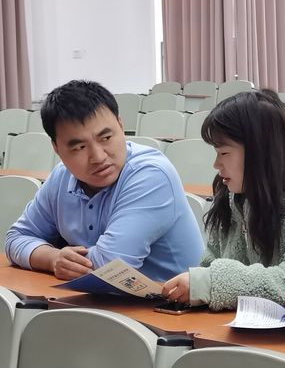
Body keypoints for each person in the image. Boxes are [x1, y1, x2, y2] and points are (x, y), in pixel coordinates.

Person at [5, 79, 204, 282]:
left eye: (106, 138)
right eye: (79, 147)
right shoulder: (61, 177)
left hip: (168, 299)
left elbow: (111, 267)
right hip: (98, 297)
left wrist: (59, 259)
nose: (98, 157)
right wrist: (53, 258)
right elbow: (15, 238)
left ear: (121, 125)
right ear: (56, 148)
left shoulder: (151, 175)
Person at [162, 90, 285, 310]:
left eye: (224, 153)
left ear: (259, 151)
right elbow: (211, 262)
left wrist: (210, 283)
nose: (216, 164)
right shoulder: (233, 195)